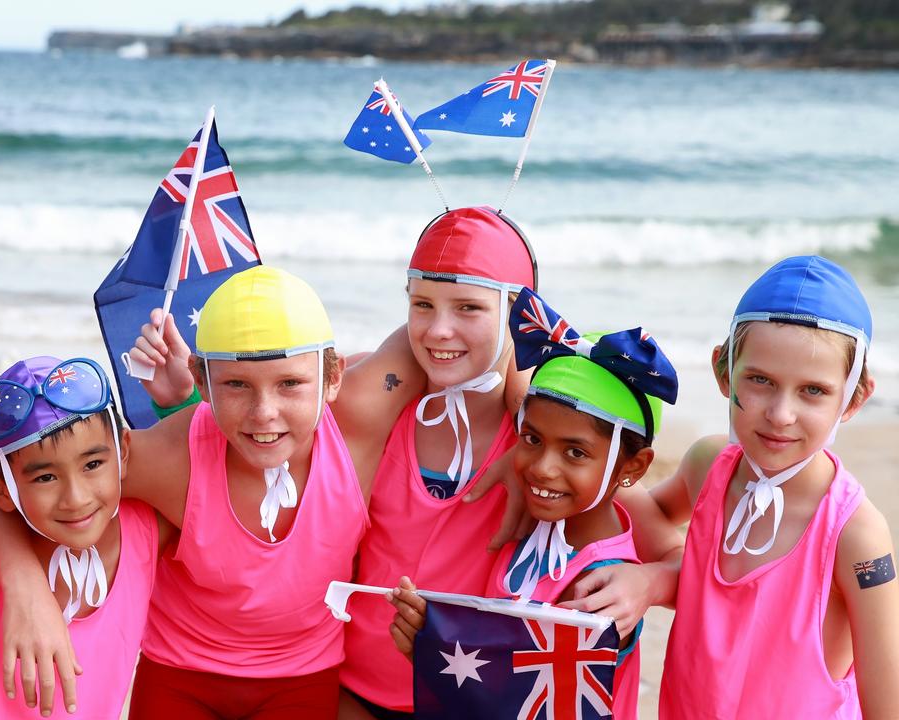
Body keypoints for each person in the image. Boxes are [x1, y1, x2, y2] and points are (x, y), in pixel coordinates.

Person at [0, 265, 425, 718]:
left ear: (334, 378)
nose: (265, 413)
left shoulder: (357, 423)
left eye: (290, 384)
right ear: (202, 381)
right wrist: (25, 586)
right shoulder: (172, 458)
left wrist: (504, 392)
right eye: (237, 385)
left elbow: (449, 319)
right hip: (180, 674)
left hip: (304, 674)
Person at [340, 207, 684, 719]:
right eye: (421, 304)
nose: (438, 330)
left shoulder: (542, 443)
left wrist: (648, 583)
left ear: (517, 318)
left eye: (469, 309)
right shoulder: (387, 411)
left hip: (469, 697)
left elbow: (675, 554)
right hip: (358, 689)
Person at [653, 256, 898, 718]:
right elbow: (641, 519)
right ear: (724, 372)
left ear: (854, 397)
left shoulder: (855, 535)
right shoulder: (709, 467)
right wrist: (660, 577)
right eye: (761, 380)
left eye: (813, 391)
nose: (781, 414)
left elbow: (886, 705)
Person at [0, 355, 171, 719]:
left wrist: (176, 401)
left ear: (122, 451)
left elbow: (209, 461)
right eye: (45, 478)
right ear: (1, 489)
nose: (76, 498)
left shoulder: (147, 532)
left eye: (93, 465)